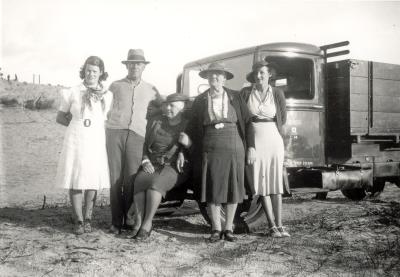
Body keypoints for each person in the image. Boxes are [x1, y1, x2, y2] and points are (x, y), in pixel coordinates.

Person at [179, 62, 255, 242]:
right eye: (212, 74)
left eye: (219, 74)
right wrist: (183, 149)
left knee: (233, 187)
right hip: (210, 145)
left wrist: (251, 146)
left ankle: (228, 228)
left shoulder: (236, 97)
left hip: (234, 144)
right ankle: (215, 228)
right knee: (212, 187)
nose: (215, 77)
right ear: (207, 77)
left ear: (225, 77)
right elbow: (190, 127)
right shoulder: (200, 100)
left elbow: (248, 122)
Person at [106, 49, 162, 234]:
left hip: (138, 136)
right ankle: (116, 221)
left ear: (144, 67)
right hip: (115, 133)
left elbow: (162, 109)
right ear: (126, 65)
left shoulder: (152, 90)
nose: (134, 66)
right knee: (115, 178)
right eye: (131, 63)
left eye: (138, 63)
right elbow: (103, 107)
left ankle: (129, 218)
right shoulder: (114, 86)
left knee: (131, 179)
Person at [55, 56, 112, 235]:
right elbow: (60, 117)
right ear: (83, 71)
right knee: (76, 176)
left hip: (96, 139)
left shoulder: (107, 94)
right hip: (76, 138)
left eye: (95, 71)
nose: (91, 74)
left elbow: (106, 119)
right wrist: (77, 125)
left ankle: (88, 218)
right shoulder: (72, 91)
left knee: (92, 177)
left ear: (100, 73)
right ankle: (78, 220)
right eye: (88, 70)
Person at [240, 60, 289, 238]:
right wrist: (249, 146)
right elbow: (243, 120)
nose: (259, 76)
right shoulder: (246, 93)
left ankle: (281, 225)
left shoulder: (277, 93)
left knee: (275, 184)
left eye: (262, 73)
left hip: (274, 140)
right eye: (256, 73)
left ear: (269, 75)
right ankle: (271, 226)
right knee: (262, 184)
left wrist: (286, 146)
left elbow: (282, 120)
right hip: (255, 141)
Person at [130, 93, 190, 240]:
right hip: (152, 162)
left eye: (172, 106)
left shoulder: (187, 124)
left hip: (173, 166)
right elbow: (144, 143)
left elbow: (195, 147)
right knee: (140, 180)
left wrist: (186, 147)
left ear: (182, 108)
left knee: (155, 185)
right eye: (166, 105)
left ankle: (147, 223)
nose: (168, 108)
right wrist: (145, 160)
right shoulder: (156, 121)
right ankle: (138, 221)